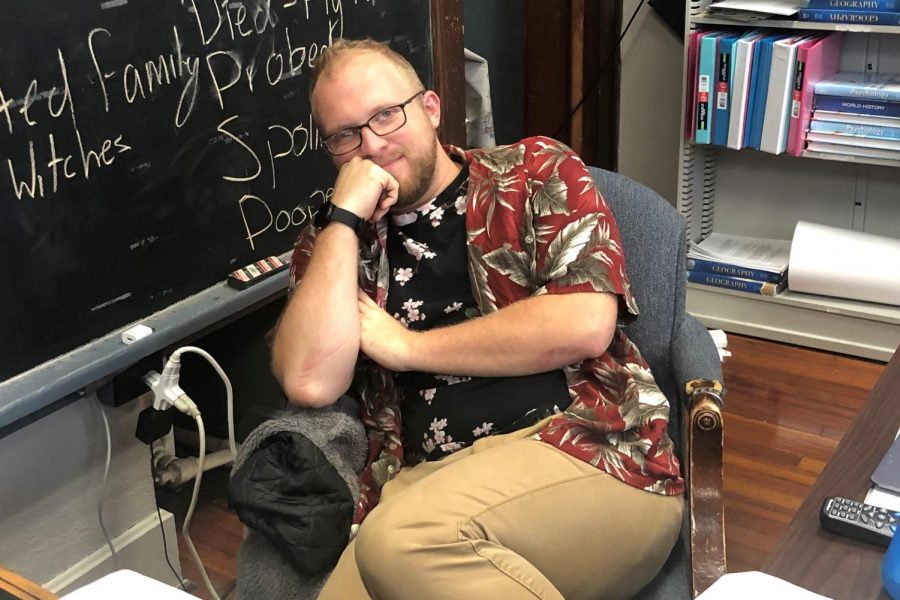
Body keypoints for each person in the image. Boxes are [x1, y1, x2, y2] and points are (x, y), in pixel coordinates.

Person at [271, 38, 684, 600]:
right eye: (345, 135)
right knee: (384, 555)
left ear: (432, 108)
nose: (372, 145)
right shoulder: (333, 246)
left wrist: (407, 347)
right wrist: (343, 220)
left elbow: (584, 322)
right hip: (428, 481)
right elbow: (310, 380)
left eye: (386, 115)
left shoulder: (537, 170)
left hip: (587, 450)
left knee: (398, 544)